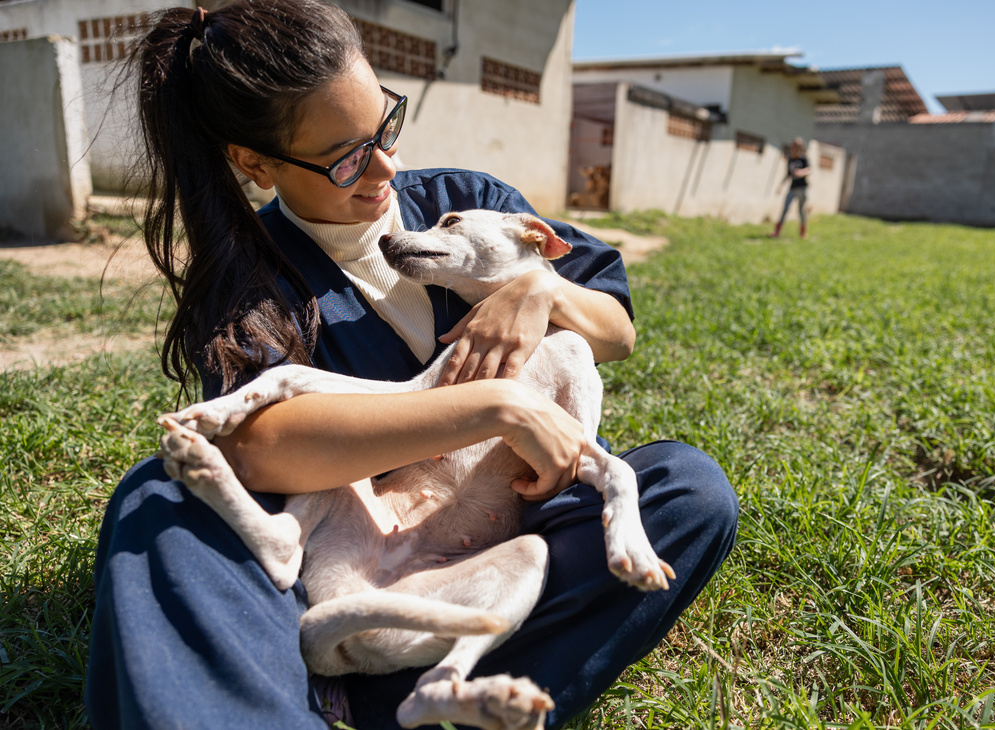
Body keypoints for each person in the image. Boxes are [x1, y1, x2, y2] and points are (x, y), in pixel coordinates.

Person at [83, 1, 739, 728]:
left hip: (503, 531)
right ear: (254, 162)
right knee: (160, 499)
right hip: (348, 556)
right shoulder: (250, 274)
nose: (386, 167)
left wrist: (538, 286)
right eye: (345, 156)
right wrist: (497, 406)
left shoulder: (466, 202)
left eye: (384, 128)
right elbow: (261, 446)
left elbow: (615, 330)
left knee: (686, 490)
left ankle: (401, 706)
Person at [769, 137, 811, 239]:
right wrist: (781, 186)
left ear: (801, 147)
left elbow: (810, 169)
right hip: (792, 188)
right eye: (795, 145)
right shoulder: (791, 159)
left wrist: (801, 172)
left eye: (798, 146)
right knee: (785, 209)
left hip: (802, 188)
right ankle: (777, 232)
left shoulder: (804, 158)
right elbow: (787, 174)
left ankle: (803, 233)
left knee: (801, 211)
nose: (796, 148)